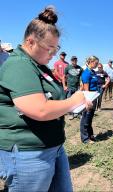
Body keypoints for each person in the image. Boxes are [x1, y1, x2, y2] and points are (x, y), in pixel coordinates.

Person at [0, 6, 92, 191]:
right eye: (49, 48)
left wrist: (77, 102)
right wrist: (74, 100)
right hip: (29, 152)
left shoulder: (39, 66)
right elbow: (40, 109)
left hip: (52, 146)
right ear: (30, 42)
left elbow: (53, 100)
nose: (53, 54)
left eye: (56, 48)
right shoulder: (19, 65)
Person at [80, 56, 99, 144]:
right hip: (89, 97)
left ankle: (90, 134)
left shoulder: (93, 72)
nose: (97, 64)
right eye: (96, 63)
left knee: (90, 117)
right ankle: (85, 138)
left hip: (94, 96)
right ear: (91, 62)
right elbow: (86, 88)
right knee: (85, 117)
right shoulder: (86, 73)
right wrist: (88, 100)